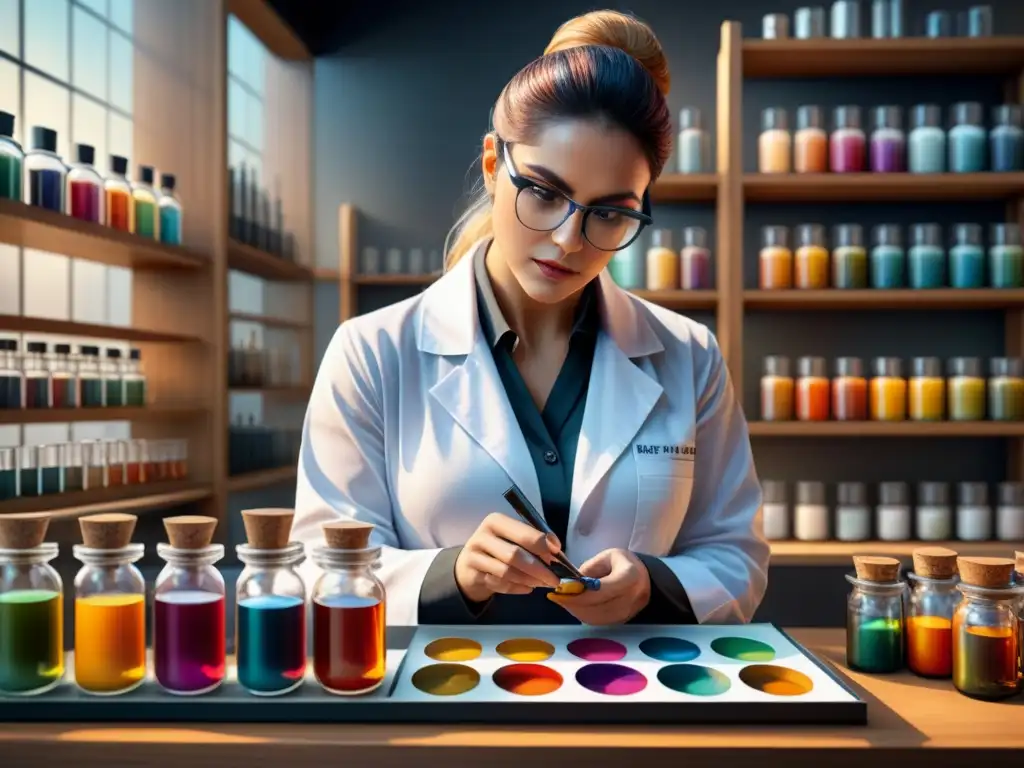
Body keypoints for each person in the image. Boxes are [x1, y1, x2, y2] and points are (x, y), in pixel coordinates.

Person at [293, 10, 769, 627]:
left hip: (632, 704)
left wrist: (652, 584)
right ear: (494, 167)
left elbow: (738, 557)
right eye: (543, 193)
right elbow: (317, 570)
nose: (569, 240)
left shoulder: (689, 355)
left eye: (610, 213)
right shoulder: (371, 352)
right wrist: (452, 575)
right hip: (449, 704)